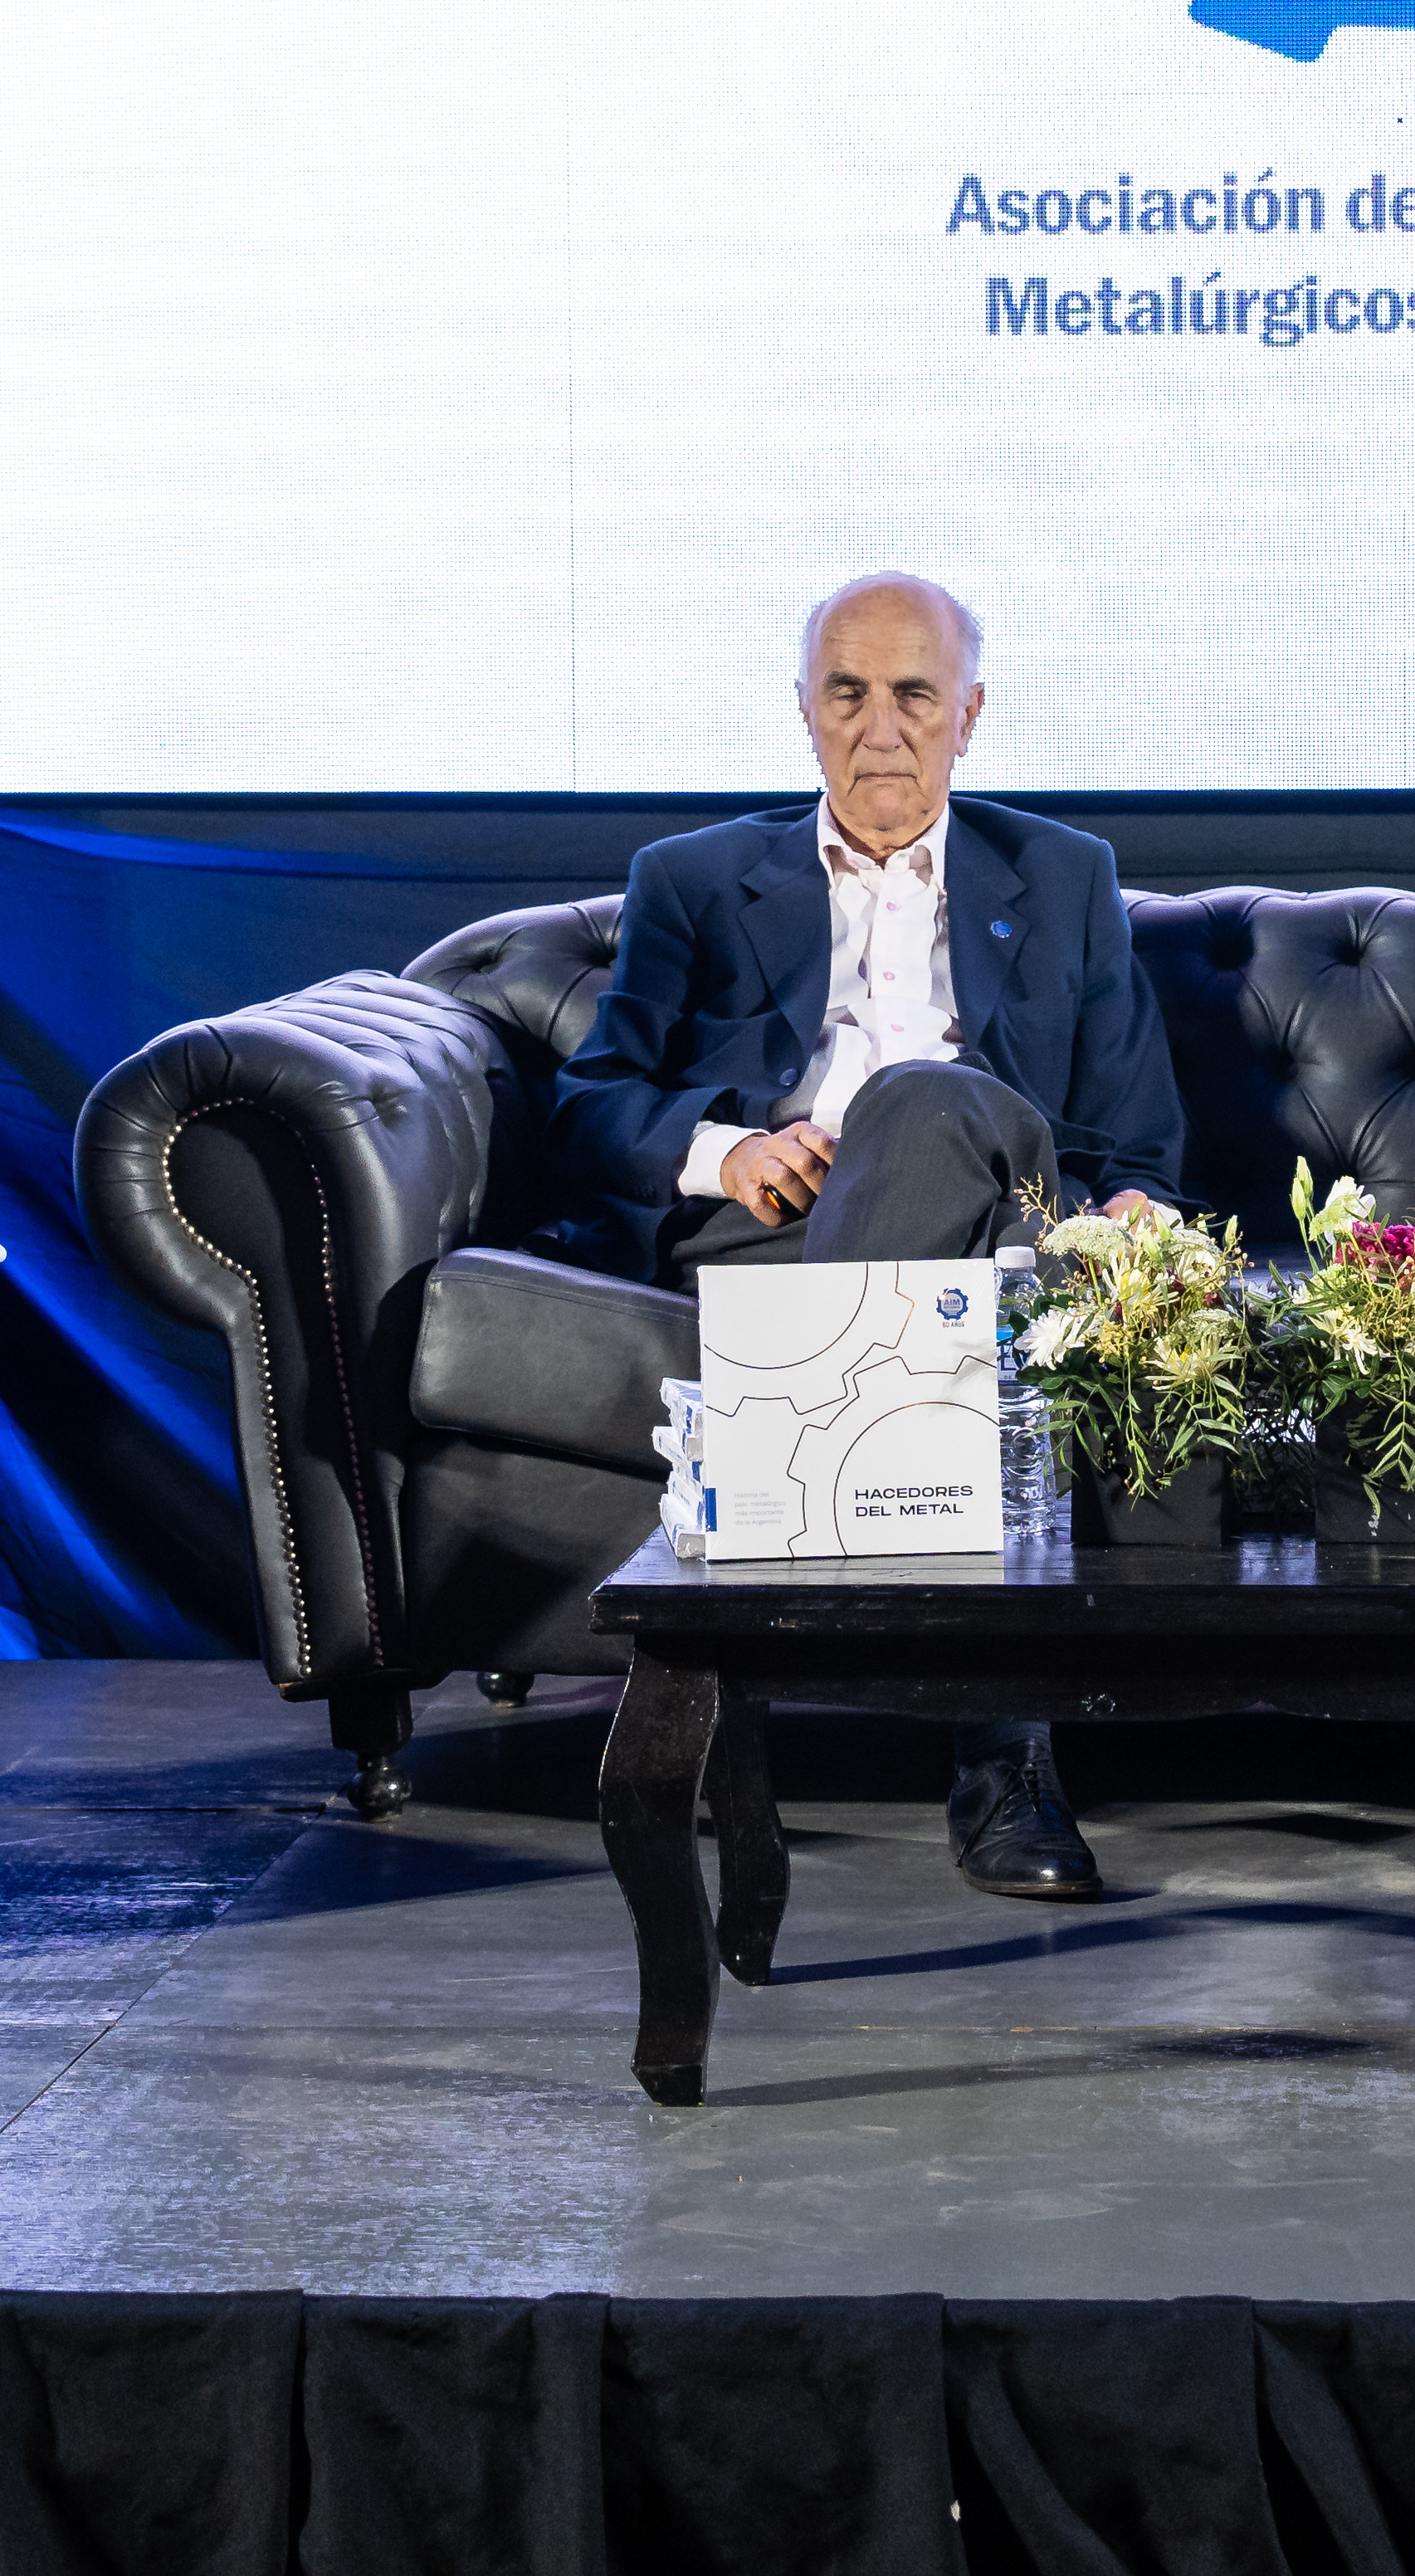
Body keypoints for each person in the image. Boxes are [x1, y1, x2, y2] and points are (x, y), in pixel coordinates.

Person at [549, 572, 1185, 1900]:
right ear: (804, 713)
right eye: (847, 693)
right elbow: (592, 1104)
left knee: (918, 1104)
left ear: (968, 716)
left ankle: (763, 1666)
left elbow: (1136, 1150)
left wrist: (1128, 1229)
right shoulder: (693, 881)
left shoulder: (1065, 878)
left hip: (1011, 1233)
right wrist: (735, 1147)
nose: (880, 727)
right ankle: (1000, 1753)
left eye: (913, 695)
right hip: (775, 1243)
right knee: (956, 1281)